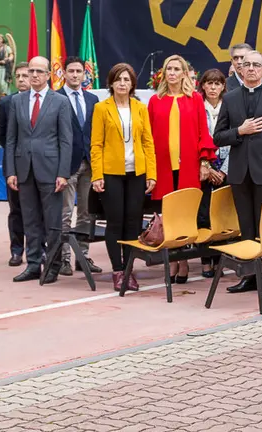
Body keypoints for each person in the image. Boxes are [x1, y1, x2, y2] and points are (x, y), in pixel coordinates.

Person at [213, 50, 262, 296]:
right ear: (239, 68)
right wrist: (240, 131)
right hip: (239, 174)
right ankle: (249, 276)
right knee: (246, 227)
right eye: (246, 64)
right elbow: (218, 137)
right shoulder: (231, 98)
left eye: (256, 65)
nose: (250, 69)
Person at [5, 56, 73, 284]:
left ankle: (52, 265)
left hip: (51, 171)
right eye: (31, 71)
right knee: (30, 220)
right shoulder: (17, 101)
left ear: (48, 75)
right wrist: (11, 171)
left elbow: (66, 140)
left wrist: (63, 173)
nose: (34, 75)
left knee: (52, 221)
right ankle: (33, 264)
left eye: (39, 71)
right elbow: (11, 139)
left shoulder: (60, 102)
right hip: (24, 170)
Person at [148, 54, 216, 284]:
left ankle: (183, 260)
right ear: (164, 73)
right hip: (164, 166)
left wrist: (204, 161)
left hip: (188, 165)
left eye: (177, 69)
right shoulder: (155, 101)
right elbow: (148, 137)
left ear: (184, 73)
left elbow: (202, 132)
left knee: (186, 214)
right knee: (168, 214)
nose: (173, 73)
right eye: (169, 69)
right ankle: (174, 260)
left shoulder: (194, 99)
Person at [90, 63, 157, 290]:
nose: (122, 83)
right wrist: (97, 175)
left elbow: (148, 143)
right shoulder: (101, 108)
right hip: (111, 174)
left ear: (132, 84)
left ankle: (129, 269)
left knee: (133, 223)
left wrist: (152, 174)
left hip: (137, 173)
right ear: (110, 83)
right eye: (118, 79)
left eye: (127, 80)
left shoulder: (140, 108)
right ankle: (117, 271)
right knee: (115, 223)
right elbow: (96, 145)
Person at [56, 56, 101, 276]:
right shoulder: (56, 98)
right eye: (71, 71)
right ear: (63, 73)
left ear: (85, 74)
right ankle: (64, 258)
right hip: (66, 166)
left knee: (86, 213)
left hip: (89, 164)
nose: (75, 75)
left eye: (79, 71)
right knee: (65, 213)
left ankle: (82, 256)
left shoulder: (93, 100)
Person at [0, 62, 31, 267]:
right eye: (18, 76)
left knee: (38, 211)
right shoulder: (6, 103)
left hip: (39, 165)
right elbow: (0, 135)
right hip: (14, 165)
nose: (22, 79)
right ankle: (17, 251)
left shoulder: (44, 102)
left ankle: (39, 250)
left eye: (25, 75)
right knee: (16, 210)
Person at [198, 69, 229, 278]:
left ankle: (219, 259)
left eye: (217, 84)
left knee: (221, 216)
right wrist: (207, 167)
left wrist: (224, 170)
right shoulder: (197, 107)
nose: (213, 88)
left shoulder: (230, 107)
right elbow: (195, 138)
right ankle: (205, 261)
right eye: (209, 84)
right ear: (203, 86)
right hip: (203, 168)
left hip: (225, 166)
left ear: (223, 87)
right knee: (203, 215)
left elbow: (236, 140)